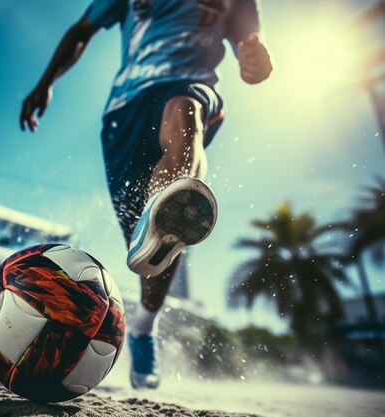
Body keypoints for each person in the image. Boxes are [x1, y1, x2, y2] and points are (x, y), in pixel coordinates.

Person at [19, 0, 272, 389]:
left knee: (186, 117)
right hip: (124, 111)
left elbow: (250, 48)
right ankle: (142, 327)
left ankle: (167, 209)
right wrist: (44, 83)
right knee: (152, 257)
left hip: (190, 84)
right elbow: (81, 30)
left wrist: (256, 60)